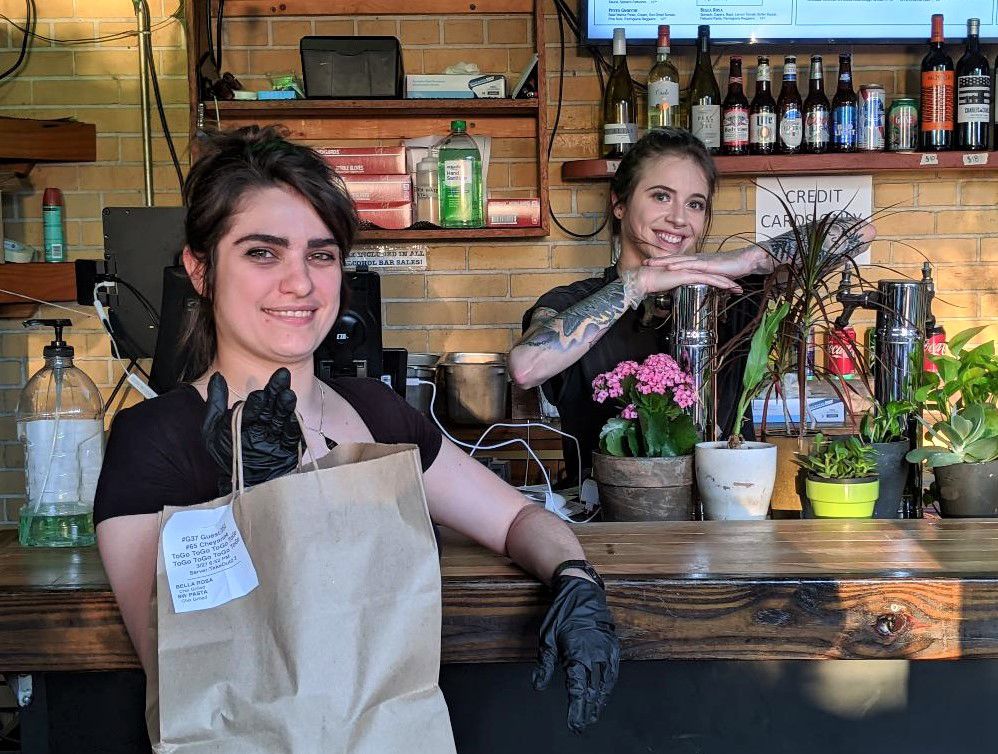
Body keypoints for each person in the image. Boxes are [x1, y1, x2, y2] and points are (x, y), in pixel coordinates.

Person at [92, 126, 619, 745]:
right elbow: (175, 661)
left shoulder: (378, 414)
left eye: (321, 254)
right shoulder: (151, 440)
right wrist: (253, 502)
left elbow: (515, 520)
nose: (300, 283)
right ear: (200, 269)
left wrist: (575, 579)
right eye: (262, 253)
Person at [509, 127, 875, 485]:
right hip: (607, 526)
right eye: (661, 197)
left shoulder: (737, 293)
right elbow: (526, 367)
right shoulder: (572, 302)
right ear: (618, 204)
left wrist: (747, 261)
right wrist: (640, 283)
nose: (680, 219)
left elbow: (859, 233)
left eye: (695, 204)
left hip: (727, 519)